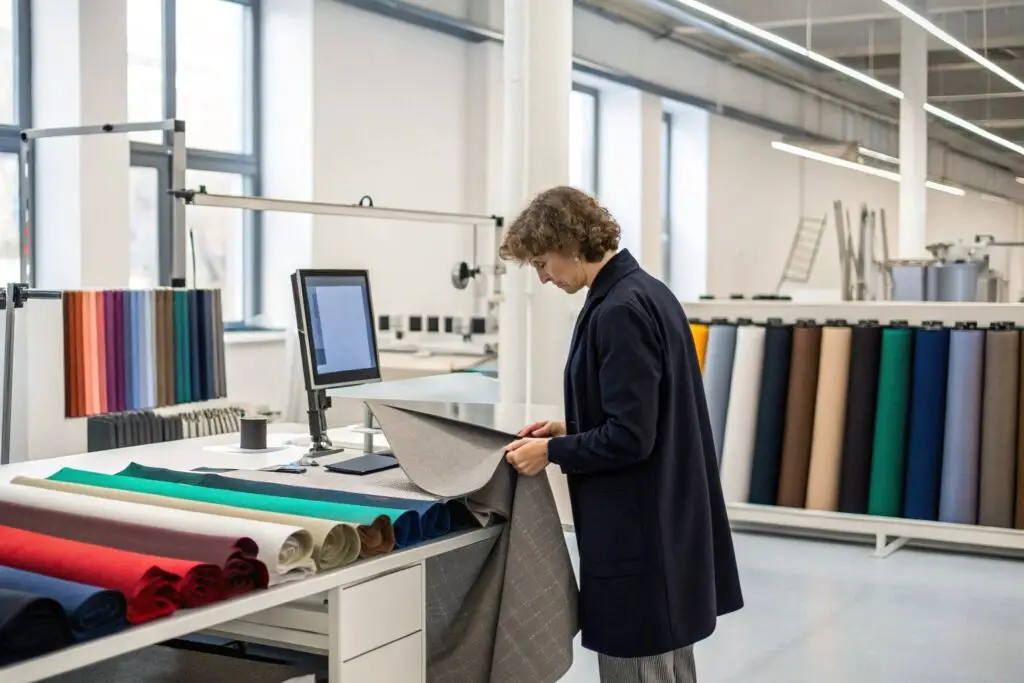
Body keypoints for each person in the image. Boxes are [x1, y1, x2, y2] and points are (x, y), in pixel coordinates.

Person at [499, 186, 743, 682]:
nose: (544, 277)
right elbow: (653, 412)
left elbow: (631, 438)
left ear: (568, 244)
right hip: (663, 527)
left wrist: (550, 450)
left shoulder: (619, 311)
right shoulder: (646, 291)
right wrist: (572, 426)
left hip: (639, 533)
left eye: (543, 263)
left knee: (640, 666)